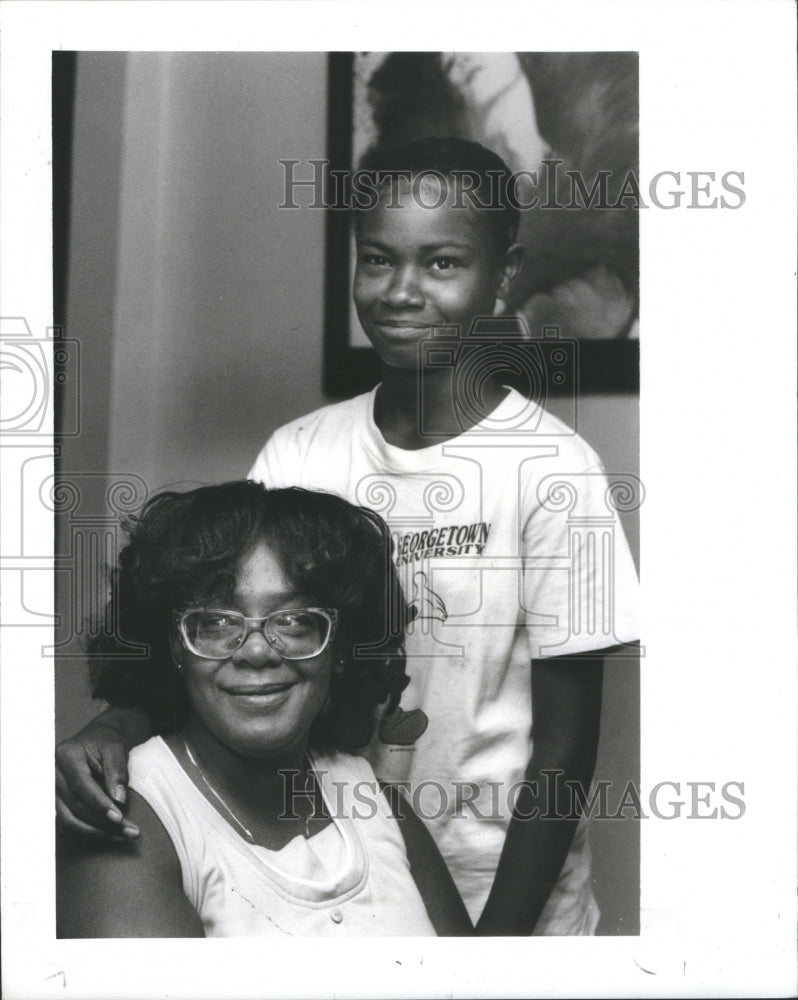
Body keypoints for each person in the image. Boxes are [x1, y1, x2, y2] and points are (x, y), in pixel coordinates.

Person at [56, 137, 640, 935]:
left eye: (441, 264)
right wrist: (116, 725)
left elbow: (566, 752)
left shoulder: (556, 468)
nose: (402, 291)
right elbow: (230, 640)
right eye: (377, 260)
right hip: (345, 872)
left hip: (506, 897)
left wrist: (492, 958)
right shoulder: (300, 452)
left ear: (503, 275)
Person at [56, 482, 473, 937]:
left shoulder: (377, 801)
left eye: (293, 620)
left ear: (339, 646)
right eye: (215, 621)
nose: (255, 651)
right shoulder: (128, 815)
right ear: (177, 645)